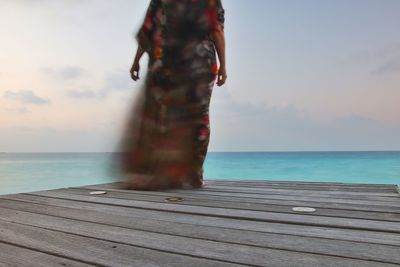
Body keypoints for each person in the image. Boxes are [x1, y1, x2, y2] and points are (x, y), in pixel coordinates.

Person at [112, 0, 226, 190]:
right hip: (199, 61)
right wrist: (224, 65)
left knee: (163, 116)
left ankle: (165, 172)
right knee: (199, 116)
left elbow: (149, 32)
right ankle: (194, 175)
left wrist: (136, 61)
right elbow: (216, 31)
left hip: (166, 60)